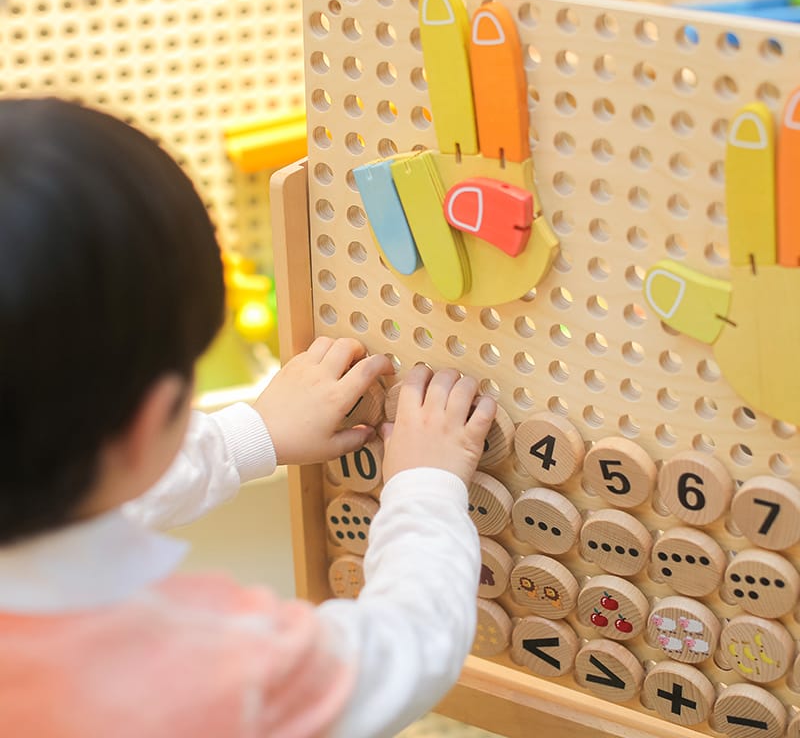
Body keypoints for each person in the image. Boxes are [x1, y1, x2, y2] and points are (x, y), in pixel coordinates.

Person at [0, 97, 497, 737]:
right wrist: (425, 485)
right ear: (153, 419)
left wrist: (251, 435)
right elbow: (409, 646)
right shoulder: (220, 669)